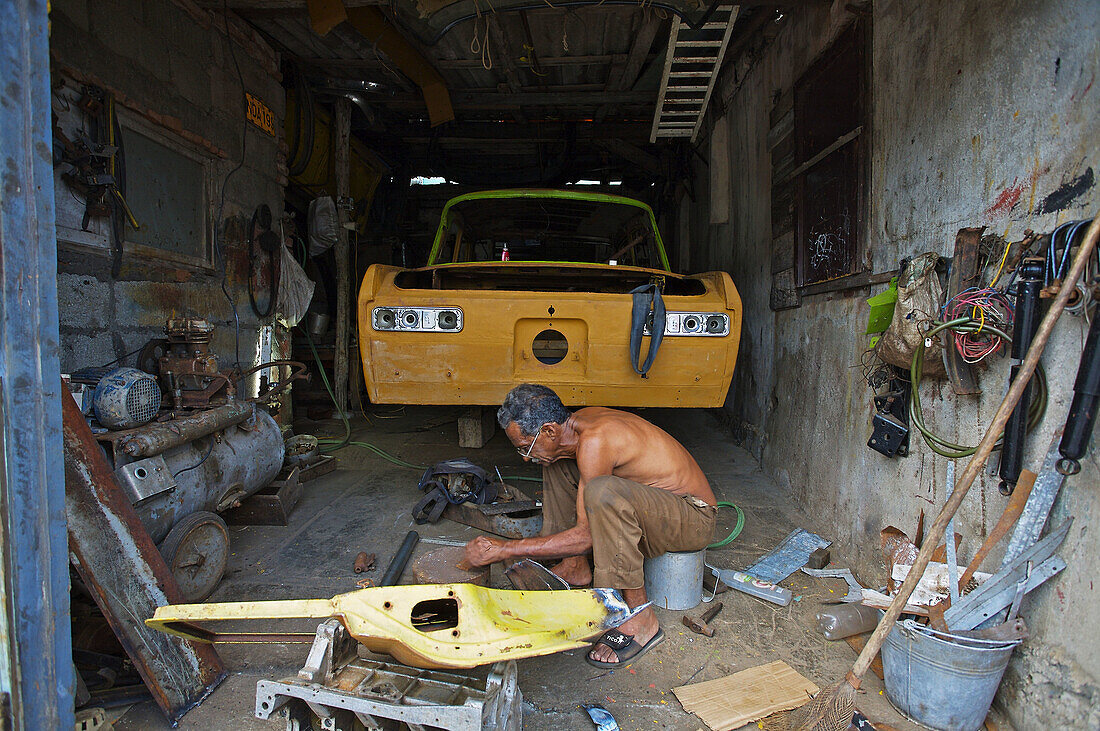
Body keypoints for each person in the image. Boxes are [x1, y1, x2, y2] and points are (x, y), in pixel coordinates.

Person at [462, 383, 717, 668]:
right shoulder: (574, 428)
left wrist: (506, 549)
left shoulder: (596, 440)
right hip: (657, 508)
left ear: (549, 430)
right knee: (554, 459)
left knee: (603, 492)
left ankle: (639, 617)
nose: (524, 456)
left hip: (693, 517)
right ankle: (576, 567)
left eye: (526, 446)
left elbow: (586, 536)